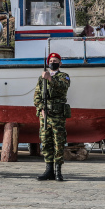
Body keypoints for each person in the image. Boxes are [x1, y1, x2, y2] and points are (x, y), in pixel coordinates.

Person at [33, 52, 71, 181]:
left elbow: (63, 88)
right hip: (45, 115)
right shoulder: (41, 78)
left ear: (60, 63)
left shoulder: (64, 76)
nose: (53, 63)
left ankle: (58, 170)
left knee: (58, 142)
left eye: (55, 61)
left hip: (58, 115)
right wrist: (40, 108)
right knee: (46, 142)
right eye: (51, 61)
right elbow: (37, 96)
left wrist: (50, 79)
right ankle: (49, 169)